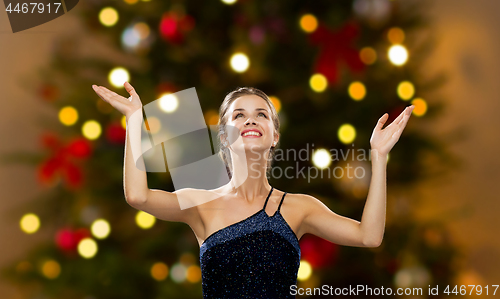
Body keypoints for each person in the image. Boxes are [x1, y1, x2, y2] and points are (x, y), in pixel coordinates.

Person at [92, 82, 414, 298]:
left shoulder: (299, 208)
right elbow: (138, 196)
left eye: (261, 114)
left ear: (274, 135)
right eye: (238, 115)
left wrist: (379, 157)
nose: (250, 120)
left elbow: (369, 236)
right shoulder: (202, 204)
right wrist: (135, 120)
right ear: (224, 136)